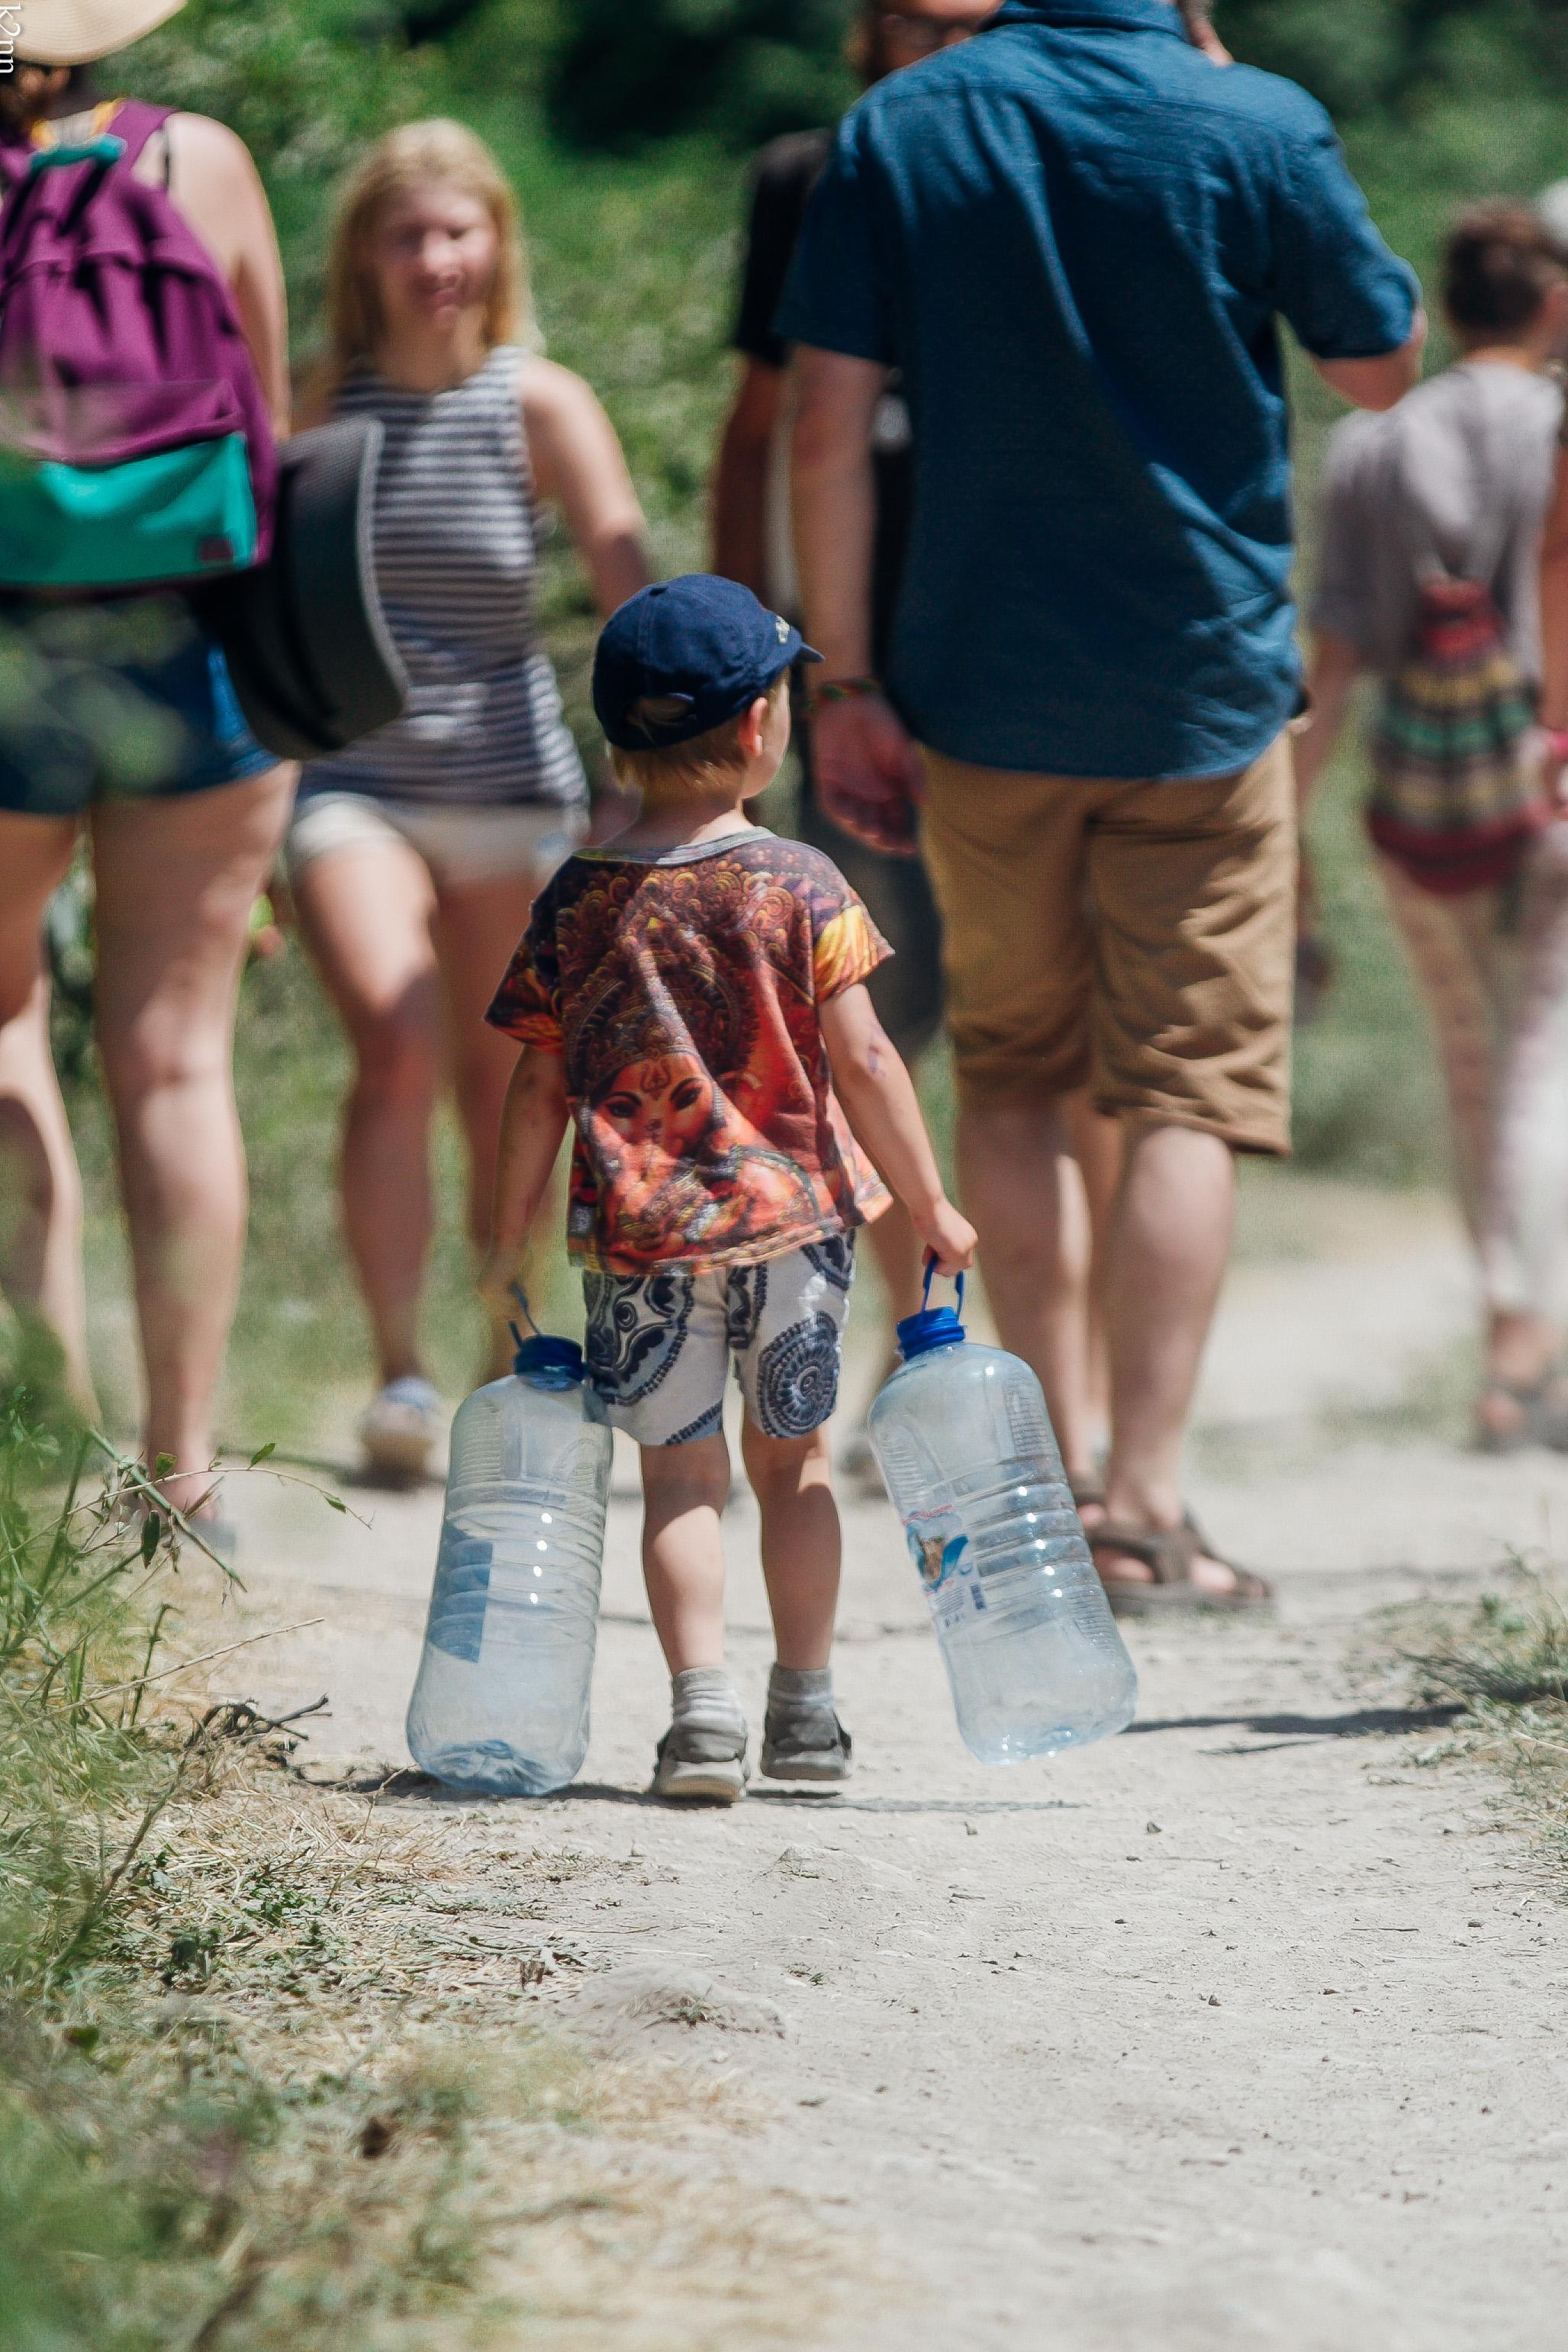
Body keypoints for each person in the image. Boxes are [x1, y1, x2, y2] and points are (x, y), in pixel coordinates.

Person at [778, 0, 1424, 1609]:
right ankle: (1145, 1502)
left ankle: (1054, 1482)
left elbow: (824, 427)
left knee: (1012, 1072)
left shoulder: (901, 125)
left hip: (977, 694)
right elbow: (1379, 366)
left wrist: (844, 685)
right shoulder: (1252, 121)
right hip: (1201, 700)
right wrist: (1237, 101)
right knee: (1186, 1095)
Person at [480, 576, 976, 1800]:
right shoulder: (800, 883)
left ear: (616, 735)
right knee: (794, 1466)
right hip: (793, 1228)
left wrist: (504, 1241)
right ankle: (803, 1714)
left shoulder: (577, 898)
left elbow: (535, 1090)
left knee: (678, 1479)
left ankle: (700, 1720)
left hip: (639, 1242)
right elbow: (867, 1060)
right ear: (762, 726)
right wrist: (930, 1204)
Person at [287, 120, 650, 1480]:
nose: (436, 258)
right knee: (393, 1041)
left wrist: (645, 780)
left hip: (513, 789)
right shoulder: (318, 402)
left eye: (458, 230)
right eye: (408, 235)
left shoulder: (539, 403)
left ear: (498, 242)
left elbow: (629, 590)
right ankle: (396, 1373)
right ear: (365, 257)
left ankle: (509, 1355)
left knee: (507, 1090)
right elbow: (257, 602)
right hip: (354, 785)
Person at [713, 0, 1043, 1477]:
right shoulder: (807, 175)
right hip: (845, 675)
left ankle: (999, 1365)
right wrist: (740, 649)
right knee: (861, 1028)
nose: (936, 47)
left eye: (967, 23)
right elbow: (760, 422)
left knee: (1017, 1035)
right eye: (912, 20)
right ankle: (872, 1351)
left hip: (1009, 665)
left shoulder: (1037, 160)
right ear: (868, 31)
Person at [0, 0, 293, 1535]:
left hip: (7, 647)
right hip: (195, 647)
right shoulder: (200, 160)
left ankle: (46, 1448)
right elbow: (270, 429)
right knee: (176, 1057)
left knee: (5, 1028)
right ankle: (184, 1474)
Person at [1301, 207, 1568, 1447]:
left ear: (1450, 312)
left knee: (1475, 1061)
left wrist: (1286, 823)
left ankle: (1509, 1325)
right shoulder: (1555, 425)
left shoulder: (1373, 445)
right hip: (1545, 778)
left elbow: (1337, 657)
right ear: (1553, 305)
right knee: (1544, 1058)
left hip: (1418, 798)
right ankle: (1524, 1337)